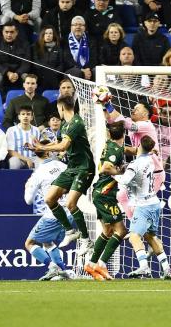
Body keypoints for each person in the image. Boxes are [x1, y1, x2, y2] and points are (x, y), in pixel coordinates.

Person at [28, 95, 95, 254]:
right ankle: (70, 231)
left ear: (62, 108)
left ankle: (86, 240)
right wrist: (38, 147)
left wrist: (42, 149)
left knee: (71, 203)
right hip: (72, 168)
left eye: (58, 108)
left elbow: (63, 145)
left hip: (84, 168)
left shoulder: (76, 123)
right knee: (50, 198)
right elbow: (57, 144)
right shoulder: (64, 125)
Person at [118, 136, 171, 279]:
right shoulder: (150, 160)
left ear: (138, 146)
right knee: (151, 236)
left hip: (143, 205)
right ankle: (167, 269)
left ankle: (144, 267)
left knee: (134, 236)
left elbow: (123, 182)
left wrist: (114, 173)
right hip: (154, 202)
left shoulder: (135, 164)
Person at [23, 139, 74, 281]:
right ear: (49, 151)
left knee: (30, 243)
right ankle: (63, 271)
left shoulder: (38, 174)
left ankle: (52, 267)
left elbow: (28, 200)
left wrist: (27, 186)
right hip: (70, 211)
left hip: (54, 214)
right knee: (47, 242)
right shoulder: (63, 166)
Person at [83, 121, 127, 281]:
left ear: (109, 134)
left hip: (100, 193)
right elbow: (106, 168)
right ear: (124, 134)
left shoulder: (110, 145)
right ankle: (101, 264)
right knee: (121, 231)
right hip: (105, 194)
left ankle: (91, 264)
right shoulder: (115, 149)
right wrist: (121, 172)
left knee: (107, 231)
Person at [0, 22, 31, 92]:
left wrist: (17, 73)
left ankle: (26, 99)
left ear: (16, 33)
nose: (9, 35)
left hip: (19, 74)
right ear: (2, 32)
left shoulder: (25, 44)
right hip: (3, 73)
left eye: (12, 32)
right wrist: (7, 73)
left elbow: (27, 63)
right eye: (6, 32)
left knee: (26, 77)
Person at [63, 16, 98, 80]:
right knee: (77, 72)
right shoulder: (64, 40)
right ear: (71, 27)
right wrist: (81, 69)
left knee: (97, 71)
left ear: (84, 27)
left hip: (88, 69)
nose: (78, 27)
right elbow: (67, 59)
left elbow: (94, 58)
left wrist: (87, 69)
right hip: (71, 68)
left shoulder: (91, 40)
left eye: (80, 25)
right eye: (75, 25)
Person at [6, 105, 41, 169]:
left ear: (32, 117)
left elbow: (39, 149)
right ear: (19, 117)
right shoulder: (11, 130)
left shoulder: (36, 130)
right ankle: (13, 179)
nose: (25, 116)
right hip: (18, 158)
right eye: (23, 114)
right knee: (13, 161)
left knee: (41, 162)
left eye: (28, 114)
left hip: (34, 158)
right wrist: (26, 159)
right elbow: (10, 151)